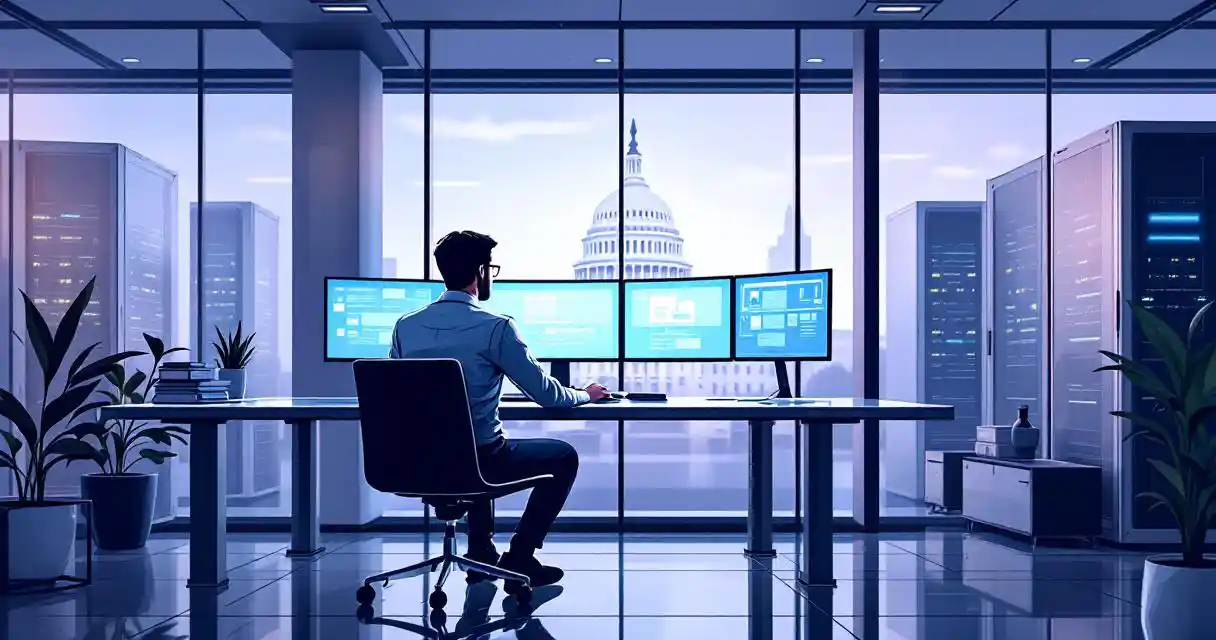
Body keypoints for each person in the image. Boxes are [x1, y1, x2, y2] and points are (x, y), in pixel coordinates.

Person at [389, 230, 611, 589]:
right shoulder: (496, 327)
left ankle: (480, 554)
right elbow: (548, 395)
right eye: (490, 269)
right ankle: (520, 557)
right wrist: (586, 394)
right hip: (477, 462)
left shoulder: (405, 326)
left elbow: (397, 394)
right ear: (481, 271)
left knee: (468, 443)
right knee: (560, 456)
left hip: (416, 461)